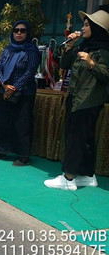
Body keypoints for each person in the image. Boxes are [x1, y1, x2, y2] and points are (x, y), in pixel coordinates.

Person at [44, 10, 109, 191]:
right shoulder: (85, 46)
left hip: (89, 100)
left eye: (87, 25)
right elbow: (64, 65)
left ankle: (69, 177)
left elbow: (106, 75)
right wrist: (71, 46)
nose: (83, 28)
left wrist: (92, 64)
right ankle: (87, 176)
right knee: (84, 139)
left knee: (77, 139)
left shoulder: (103, 51)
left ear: (97, 29)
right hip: (76, 97)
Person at [0, 21, 41, 166]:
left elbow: (30, 71)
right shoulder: (8, 49)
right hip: (4, 90)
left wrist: (15, 87)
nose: (19, 33)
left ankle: (23, 155)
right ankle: (1, 150)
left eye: (23, 31)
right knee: (2, 122)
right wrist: (4, 85)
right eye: (16, 30)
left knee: (22, 123)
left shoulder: (32, 51)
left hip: (24, 93)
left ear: (28, 33)